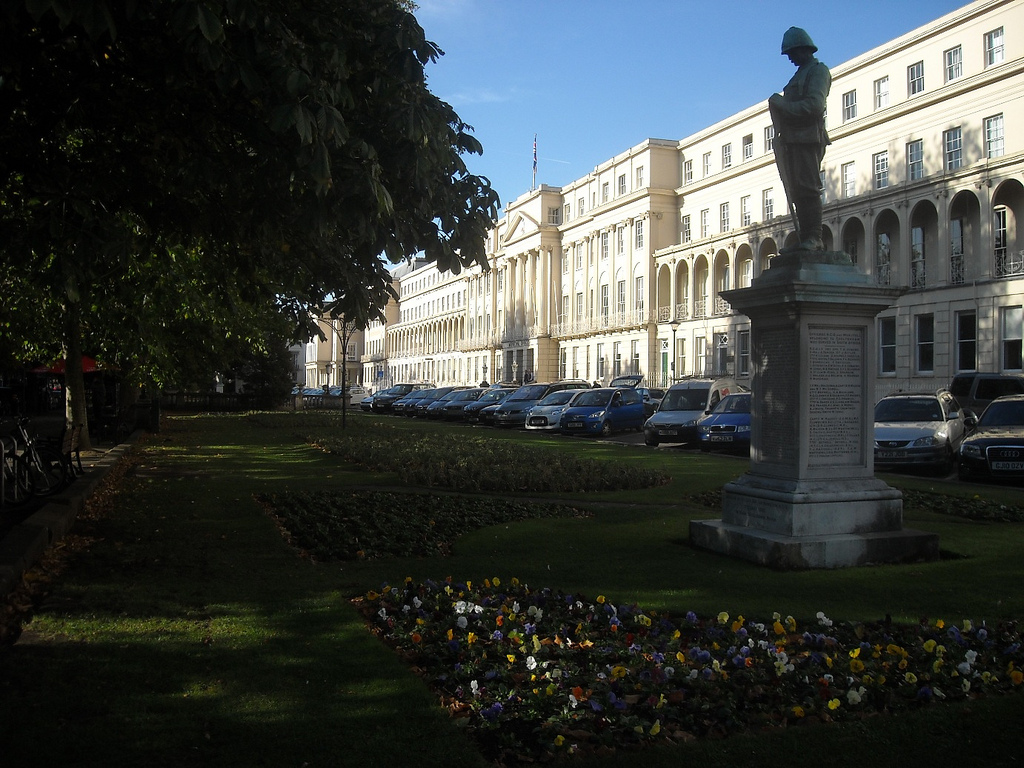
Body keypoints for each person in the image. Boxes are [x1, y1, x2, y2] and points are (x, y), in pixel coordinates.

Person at [768, 27, 831, 252]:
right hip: (793, 140)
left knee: (808, 188)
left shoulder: (818, 71)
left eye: (792, 53)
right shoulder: (799, 75)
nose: (790, 59)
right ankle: (806, 238)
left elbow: (815, 106)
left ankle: (814, 238)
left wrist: (783, 105)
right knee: (796, 190)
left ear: (803, 48)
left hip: (808, 138)